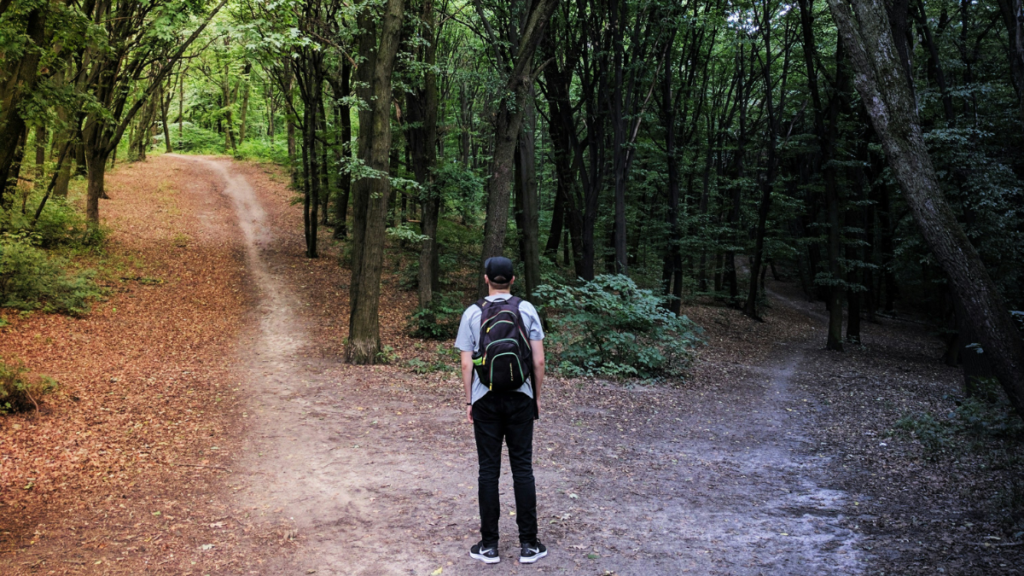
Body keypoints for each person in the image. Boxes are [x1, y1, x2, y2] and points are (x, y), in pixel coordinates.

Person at [455, 256, 547, 565]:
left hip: (486, 399)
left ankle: (489, 546)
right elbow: (538, 361)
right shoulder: (527, 309)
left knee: (488, 470)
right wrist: (536, 397)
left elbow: (466, 364)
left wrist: (470, 401)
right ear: (512, 279)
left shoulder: (472, 312)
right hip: (521, 397)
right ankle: (529, 545)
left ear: (486, 279)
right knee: (522, 469)